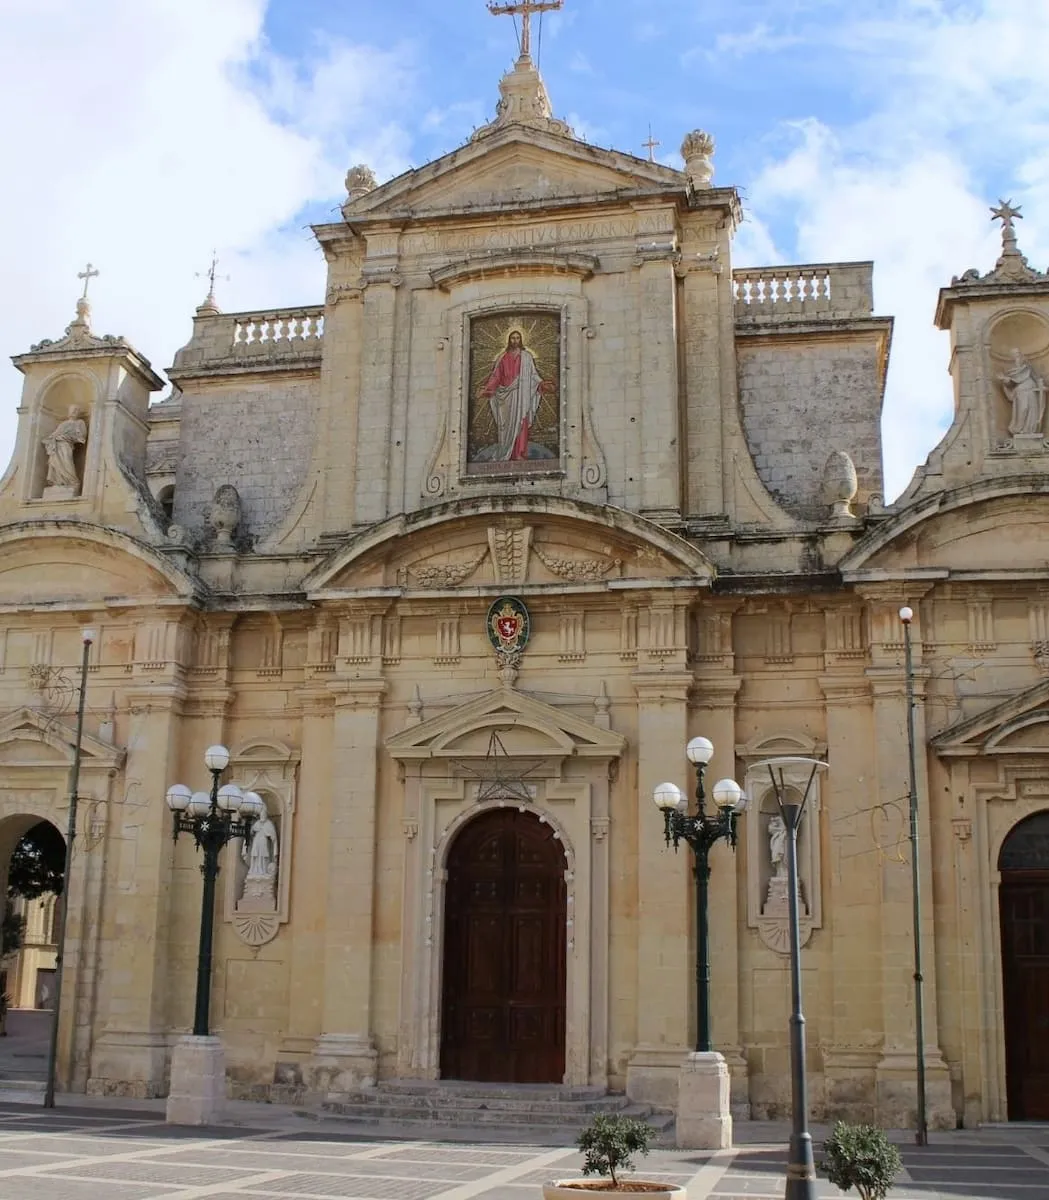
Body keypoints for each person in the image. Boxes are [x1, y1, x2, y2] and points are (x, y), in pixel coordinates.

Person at [477, 330, 552, 461]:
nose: (515, 341)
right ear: (509, 340)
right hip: (506, 396)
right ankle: (506, 452)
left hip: (522, 394)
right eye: (512, 338)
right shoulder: (502, 357)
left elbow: (533, 375)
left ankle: (519, 453)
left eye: (517, 338)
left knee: (521, 423)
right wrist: (487, 390)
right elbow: (496, 377)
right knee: (505, 426)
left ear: (521, 340)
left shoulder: (527, 357)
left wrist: (542, 384)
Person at [1000, 348, 1046, 437]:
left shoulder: (1028, 368)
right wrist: (1005, 380)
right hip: (1020, 393)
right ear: (1012, 358)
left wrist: (1041, 386)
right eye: (1015, 355)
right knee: (1023, 410)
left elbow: (1037, 379)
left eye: (1018, 354)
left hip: (1031, 391)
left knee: (1032, 410)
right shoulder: (1012, 371)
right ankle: (1020, 429)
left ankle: (1031, 430)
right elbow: (1009, 383)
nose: (1018, 357)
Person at [42, 405, 88, 490]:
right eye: (72, 410)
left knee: (67, 461)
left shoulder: (80, 423)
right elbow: (54, 434)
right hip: (58, 446)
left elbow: (82, 436)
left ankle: (72, 481)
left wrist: (69, 437)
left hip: (67, 445)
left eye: (76, 410)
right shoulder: (63, 424)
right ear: (69, 412)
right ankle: (58, 482)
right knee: (55, 462)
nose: (74, 412)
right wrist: (52, 439)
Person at [244, 812, 279, 879]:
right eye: (261, 814)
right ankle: (254, 870)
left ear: (266, 815)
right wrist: (252, 829)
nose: (262, 815)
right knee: (255, 855)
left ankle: (264, 870)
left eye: (263, 814)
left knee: (263, 855)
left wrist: (267, 833)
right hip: (256, 841)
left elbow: (273, 836)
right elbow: (251, 832)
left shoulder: (269, 824)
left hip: (264, 841)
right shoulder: (257, 823)